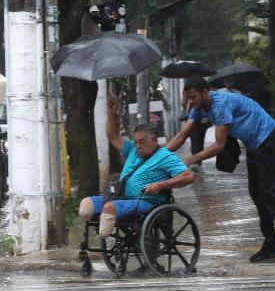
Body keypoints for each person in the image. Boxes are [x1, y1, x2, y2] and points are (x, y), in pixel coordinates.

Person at [167, 77, 275, 262]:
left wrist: (191, 159)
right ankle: (272, 245)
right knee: (257, 195)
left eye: (193, 97)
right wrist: (158, 155)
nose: (191, 102)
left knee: (271, 195)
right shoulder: (199, 107)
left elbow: (219, 145)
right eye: (188, 98)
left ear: (205, 92)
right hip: (254, 145)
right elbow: (181, 136)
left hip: (267, 138)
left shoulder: (220, 105)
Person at [78, 98, 194, 239]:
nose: (138, 146)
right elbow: (113, 136)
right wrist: (111, 113)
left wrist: (160, 185)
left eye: (142, 142)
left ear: (154, 141)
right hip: (121, 197)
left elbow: (188, 177)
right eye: (136, 142)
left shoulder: (165, 156)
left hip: (147, 203)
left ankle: (104, 234)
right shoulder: (132, 150)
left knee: (109, 208)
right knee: (86, 205)